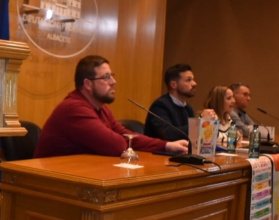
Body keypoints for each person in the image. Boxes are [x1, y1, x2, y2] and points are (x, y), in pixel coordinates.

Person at [33, 55, 188, 158]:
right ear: (88, 84)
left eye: (112, 76)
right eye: (106, 77)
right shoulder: (74, 109)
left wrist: (167, 146)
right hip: (51, 184)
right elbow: (118, 146)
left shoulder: (101, 108)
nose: (113, 82)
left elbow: (127, 137)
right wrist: (124, 140)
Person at [144, 64, 215, 141]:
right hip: (159, 152)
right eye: (188, 80)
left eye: (193, 79)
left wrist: (210, 124)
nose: (194, 83)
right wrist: (200, 123)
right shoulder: (160, 106)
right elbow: (168, 135)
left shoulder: (188, 108)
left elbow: (193, 136)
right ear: (174, 85)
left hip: (183, 151)